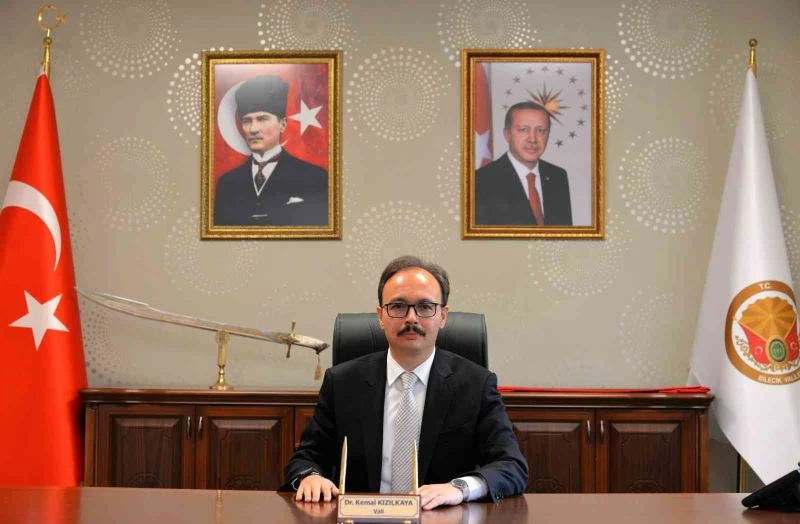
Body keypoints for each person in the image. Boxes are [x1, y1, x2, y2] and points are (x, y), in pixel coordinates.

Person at [279, 255, 528, 510]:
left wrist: (459, 488)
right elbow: (306, 458)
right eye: (398, 306)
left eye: (425, 306)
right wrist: (310, 477)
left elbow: (511, 466)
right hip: (362, 517)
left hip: (440, 517)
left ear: (443, 316)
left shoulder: (475, 385)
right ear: (380, 316)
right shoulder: (342, 383)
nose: (411, 318)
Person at [213, 74, 328, 226]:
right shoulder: (227, 184)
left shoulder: (314, 178)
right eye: (247, 121)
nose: (253, 129)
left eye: (262, 119)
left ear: (282, 124)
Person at [475, 101, 572, 226]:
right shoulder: (481, 181)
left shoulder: (558, 176)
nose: (533, 139)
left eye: (541, 130)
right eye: (523, 130)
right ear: (507, 135)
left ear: (548, 135)